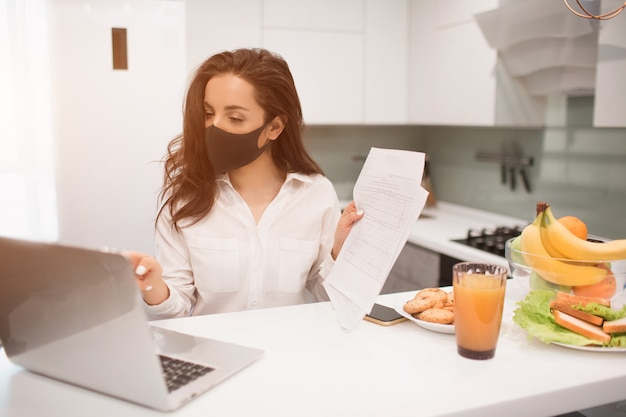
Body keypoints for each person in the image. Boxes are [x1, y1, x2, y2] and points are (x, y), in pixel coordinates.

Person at [126, 48, 363, 319]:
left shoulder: (316, 193)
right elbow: (176, 310)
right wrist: (153, 286)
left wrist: (339, 250)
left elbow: (326, 298)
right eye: (207, 113)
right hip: (214, 355)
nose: (214, 128)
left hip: (292, 353)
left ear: (274, 127)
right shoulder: (185, 199)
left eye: (235, 118)